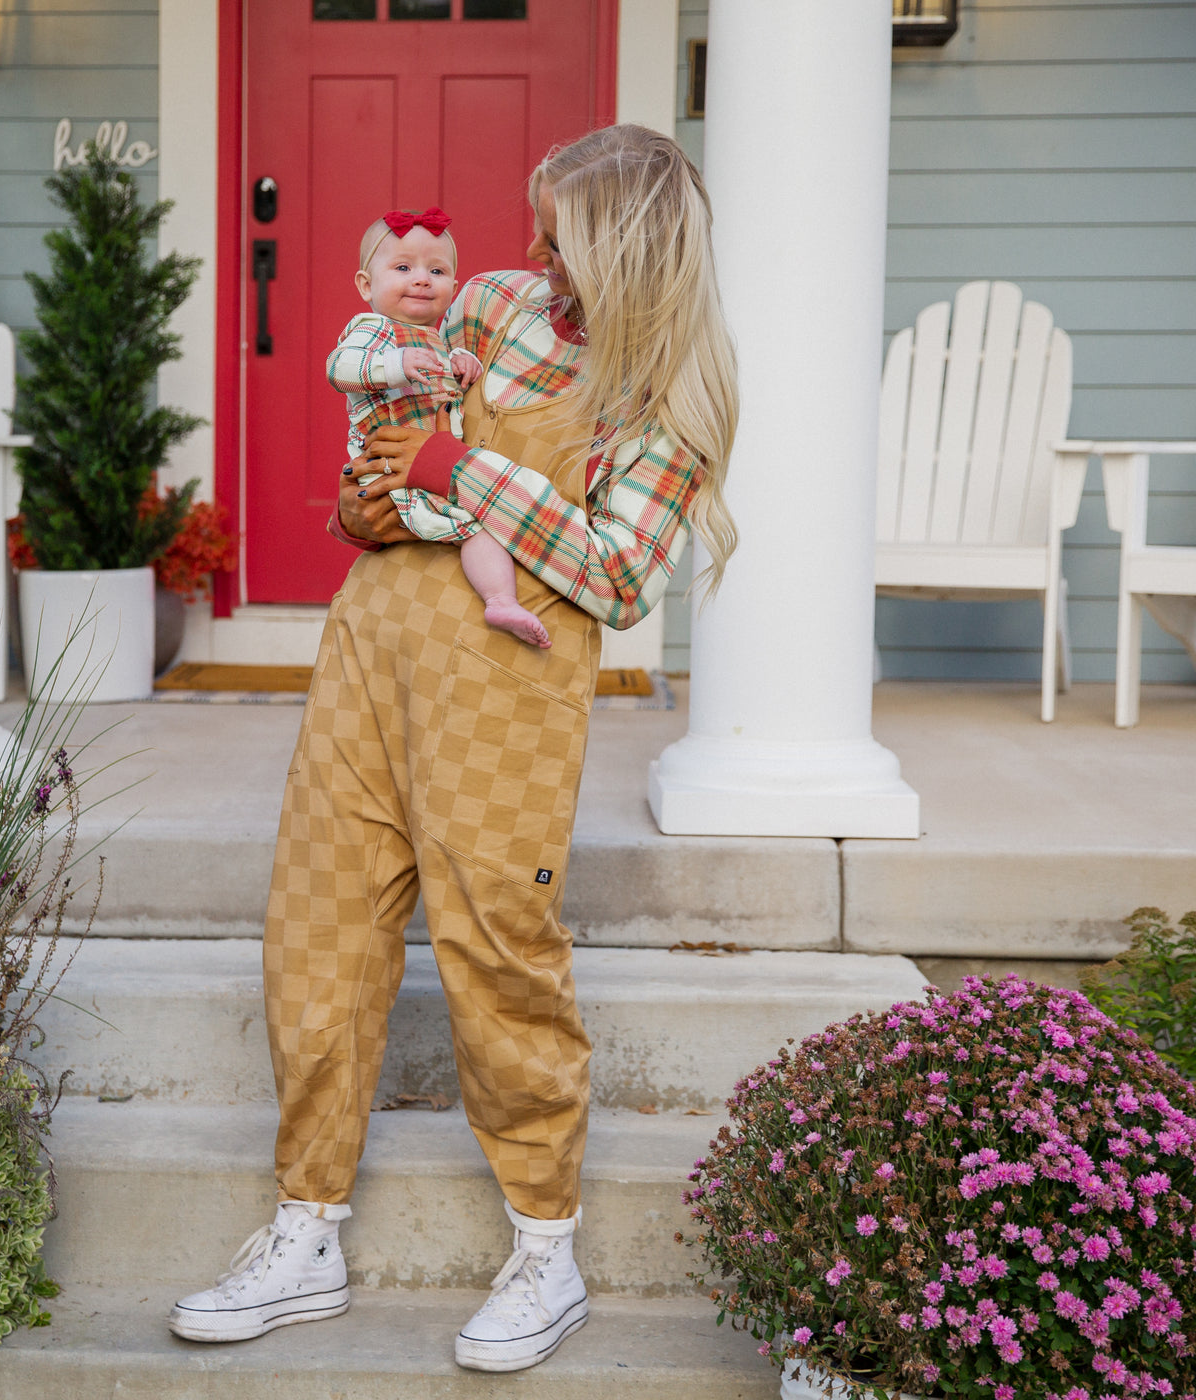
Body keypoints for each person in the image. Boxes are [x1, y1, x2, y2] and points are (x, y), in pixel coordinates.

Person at [168, 124, 739, 1373]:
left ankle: (546, 1248)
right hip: (372, 638)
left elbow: (618, 571)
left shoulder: (667, 396)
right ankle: (306, 1228)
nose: (526, 249)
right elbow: (383, 444)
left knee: (497, 943)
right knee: (316, 921)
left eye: (554, 230)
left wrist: (460, 467)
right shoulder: (488, 303)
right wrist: (379, 485)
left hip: (507, 689)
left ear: (616, 245)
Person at [327, 205, 551, 649]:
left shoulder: (440, 338)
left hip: (431, 467)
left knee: (480, 526)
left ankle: (500, 600)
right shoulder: (374, 329)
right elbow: (340, 368)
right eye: (404, 267)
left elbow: (442, 384)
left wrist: (460, 363)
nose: (422, 278)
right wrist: (395, 365)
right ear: (366, 285)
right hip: (390, 467)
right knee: (466, 526)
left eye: (437, 269)